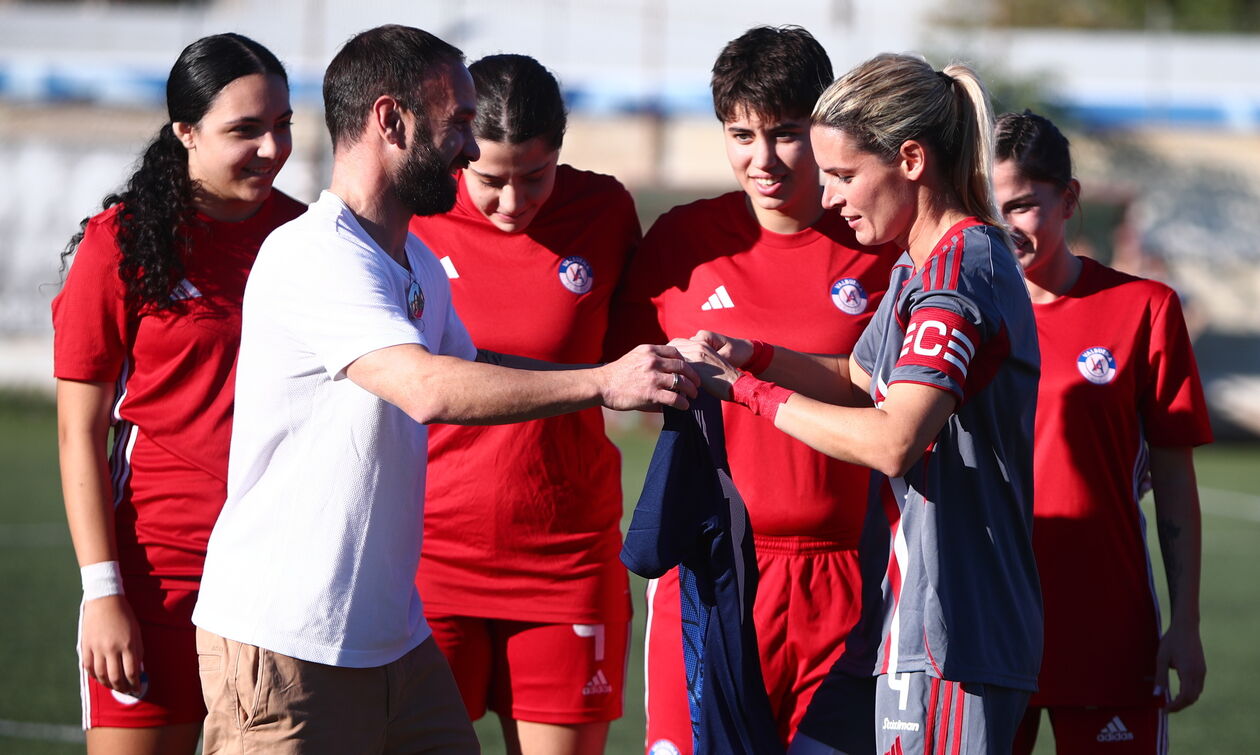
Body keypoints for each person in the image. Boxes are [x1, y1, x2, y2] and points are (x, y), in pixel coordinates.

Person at [190, 25, 695, 754]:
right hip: (289, 644)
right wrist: (601, 380)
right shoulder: (315, 253)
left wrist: (631, 377)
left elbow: (477, 359)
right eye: (457, 120)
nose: (469, 144)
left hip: (393, 640)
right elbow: (426, 387)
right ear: (391, 120)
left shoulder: (414, 258)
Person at [673, 53, 1042, 755]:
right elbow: (860, 374)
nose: (832, 197)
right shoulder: (919, 261)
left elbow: (892, 438)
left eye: (843, 176)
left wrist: (747, 392)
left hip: (955, 628)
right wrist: (753, 353)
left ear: (909, 159)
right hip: (923, 620)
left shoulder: (957, 272)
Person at [609, 25, 901, 754]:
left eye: (786, 134)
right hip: (708, 575)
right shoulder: (682, 242)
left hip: (847, 579)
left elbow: (900, 398)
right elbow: (616, 375)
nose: (761, 159)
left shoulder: (877, 245)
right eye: (740, 134)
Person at [51, 33, 301, 755]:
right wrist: (104, 592)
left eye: (282, 124)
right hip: (156, 579)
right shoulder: (121, 242)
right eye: (244, 130)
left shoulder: (305, 239)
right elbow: (78, 433)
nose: (271, 147)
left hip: (274, 585)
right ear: (185, 131)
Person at [407, 54, 640, 755]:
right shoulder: (412, 214)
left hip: (566, 561)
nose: (513, 202)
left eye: (534, 177)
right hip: (426, 558)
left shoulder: (604, 211)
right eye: (491, 180)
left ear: (560, 155)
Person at [993, 111, 1212, 755]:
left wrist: (1187, 621)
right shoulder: (956, 313)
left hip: (1106, 621)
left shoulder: (1144, 309)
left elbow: (1173, 479)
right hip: (988, 620)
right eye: (992, 207)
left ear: (1069, 199)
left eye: (1025, 205)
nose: (1008, 227)